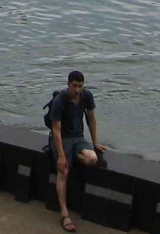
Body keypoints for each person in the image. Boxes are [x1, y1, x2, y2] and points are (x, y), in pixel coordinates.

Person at [49, 70, 105, 232]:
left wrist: (95, 142)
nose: (77, 90)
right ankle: (65, 214)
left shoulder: (87, 96)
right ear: (68, 85)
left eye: (80, 86)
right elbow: (56, 129)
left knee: (93, 158)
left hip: (78, 138)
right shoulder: (60, 100)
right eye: (74, 86)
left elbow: (91, 118)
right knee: (63, 172)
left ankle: (73, 156)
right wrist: (60, 155)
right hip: (62, 139)